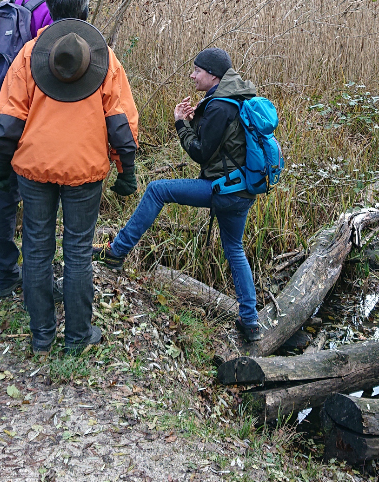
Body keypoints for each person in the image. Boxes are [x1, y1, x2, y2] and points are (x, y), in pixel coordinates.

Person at [0, 0, 139, 355]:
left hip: (33, 166)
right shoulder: (104, 58)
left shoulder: (29, 53)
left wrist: (1, 163)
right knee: (77, 250)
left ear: (49, 11)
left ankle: (41, 335)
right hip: (83, 170)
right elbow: (120, 119)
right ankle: (77, 336)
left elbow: (9, 116)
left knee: (37, 248)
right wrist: (126, 168)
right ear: (86, 12)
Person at [93, 48, 263, 342]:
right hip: (244, 190)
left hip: (223, 190)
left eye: (197, 70)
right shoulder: (237, 96)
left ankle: (116, 252)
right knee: (235, 250)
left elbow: (200, 153)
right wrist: (197, 117)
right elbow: (222, 143)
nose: (192, 75)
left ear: (213, 75)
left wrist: (180, 123)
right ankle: (250, 322)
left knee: (157, 190)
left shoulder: (221, 105)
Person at [0, 0, 66, 298]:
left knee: (4, 195)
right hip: (35, 115)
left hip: (4, 110)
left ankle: (3, 274)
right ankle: (39, 281)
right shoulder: (52, 9)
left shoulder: (10, 5)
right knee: (38, 197)